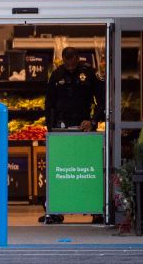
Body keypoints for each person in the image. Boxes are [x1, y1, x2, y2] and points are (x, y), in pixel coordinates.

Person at [41, 47, 105, 224]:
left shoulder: (89, 74)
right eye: (66, 59)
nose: (69, 63)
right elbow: (49, 104)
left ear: (78, 58)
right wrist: (50, 129)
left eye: (72, 59)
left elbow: (102, 101)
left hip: (84, 127)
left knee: (87, 168)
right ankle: (55, 210)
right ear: (62, 59)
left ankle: (95, 209)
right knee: (60, 169)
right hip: (61, 128)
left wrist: (93, 121)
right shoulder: (56, 75)